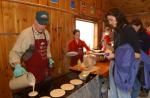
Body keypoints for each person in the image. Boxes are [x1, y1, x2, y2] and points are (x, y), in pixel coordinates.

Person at [104, 8, 142, 98]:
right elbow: (119, 50)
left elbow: (137, 54)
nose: (110, 23)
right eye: (108, 20)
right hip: (114, 65)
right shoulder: (117, 31)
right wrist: (110, 51)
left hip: (124, 71)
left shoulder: (129, 30)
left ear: (119, 18)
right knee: (113, 93)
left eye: (111, 20)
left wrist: (115, 55)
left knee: (123, 94)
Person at [9, 11, 54, 83]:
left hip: (46, 72)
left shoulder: (46, 33)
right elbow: (14, 53)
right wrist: (17, 65)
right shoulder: (26, 34)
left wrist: (49, 58)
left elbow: (47, 48)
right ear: (35, 21)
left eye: (45, 24)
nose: (43, 27)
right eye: (40, 23)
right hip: (32, 75)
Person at [131, 18, 150, 97]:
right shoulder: (134, 34)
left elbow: (144, 49)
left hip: (142, 58)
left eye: (133, 27)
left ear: (139, 26)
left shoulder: (145, 36)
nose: (132, 29)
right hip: (137, 59)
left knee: (142, 75)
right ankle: (140, 89)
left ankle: (144, 89)